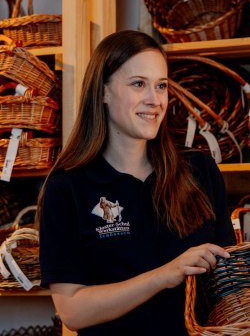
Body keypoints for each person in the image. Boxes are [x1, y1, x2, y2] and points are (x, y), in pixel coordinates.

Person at [38, 30, 235, 335]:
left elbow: (228, 281)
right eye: (138, 84)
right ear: (103, 92)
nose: (154, 100)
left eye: (161, 86)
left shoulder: (199, 171)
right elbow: (72, 310)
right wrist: (164, 275)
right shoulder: (68, 187)